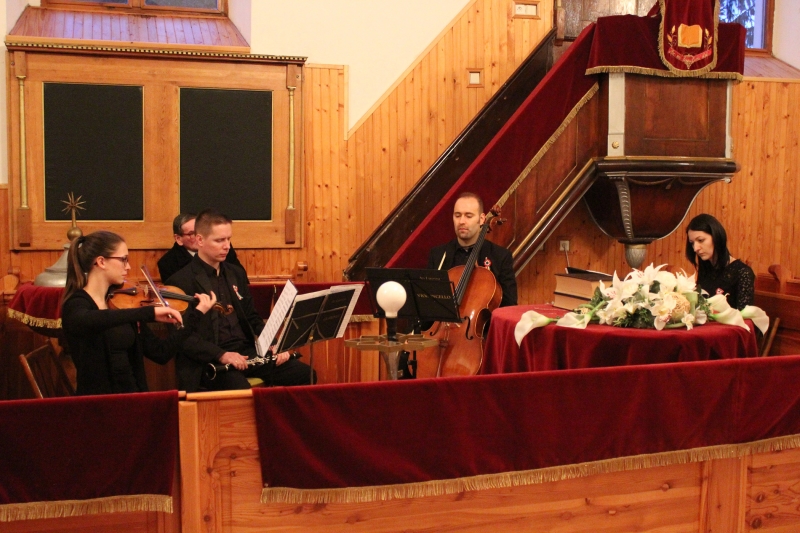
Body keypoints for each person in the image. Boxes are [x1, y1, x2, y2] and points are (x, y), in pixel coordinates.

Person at [166, 209, 315, 392]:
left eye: (228, 239)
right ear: (200, 240)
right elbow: (184, 338)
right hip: (210, 359)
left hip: (246, 352)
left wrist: (275, 344)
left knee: (305, 374)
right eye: (219, 240)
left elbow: (252, 316)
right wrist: (221, 355)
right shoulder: (179, 282)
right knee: (240, 389)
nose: (227, 246)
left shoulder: (235, 273)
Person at [61, 230, 218, 395]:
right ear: (101, 262)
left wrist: (196, 315)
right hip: (99, 400)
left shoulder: (123, 304)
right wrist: (148, 312)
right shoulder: (76, 304)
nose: (128, 266)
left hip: (133, 396)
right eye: (123, 260)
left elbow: (161, 352)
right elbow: (91, 319)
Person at [427, 192, 518, 307]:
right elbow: (427, 303)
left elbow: (509, 307)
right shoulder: (438, 255)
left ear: (482, 219)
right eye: (457, 215)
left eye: (468, 216)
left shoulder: (501, 257)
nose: (461, 221)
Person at [685, 213, 755, 310]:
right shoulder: (706, 267)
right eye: (692, 243)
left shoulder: (742, 272)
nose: (695, 248)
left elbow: (745, 316)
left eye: (700, 240)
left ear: (716, 237)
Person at [157, 212, 243, 282]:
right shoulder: (167, 263)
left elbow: (241, 280)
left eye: (200, 231)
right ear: (178, 239)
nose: (199, 237)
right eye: (192, 233)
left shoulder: (224, 248)